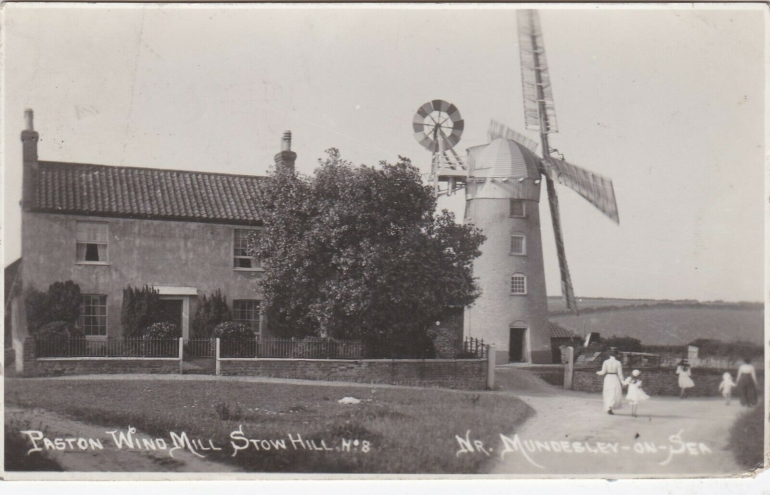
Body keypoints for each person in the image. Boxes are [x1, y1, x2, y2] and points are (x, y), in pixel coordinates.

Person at [596, 348, 625, 415]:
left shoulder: (606, 362)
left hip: (608, 378)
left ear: (609, 354)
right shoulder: (618, 362)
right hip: (615, 378)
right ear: (616, 354)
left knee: (608, 392)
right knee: (614, 392)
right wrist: (622, 381)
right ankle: (610, 406)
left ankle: (609, 407)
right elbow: (620, 374)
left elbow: (603, 372)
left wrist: (597, 372)